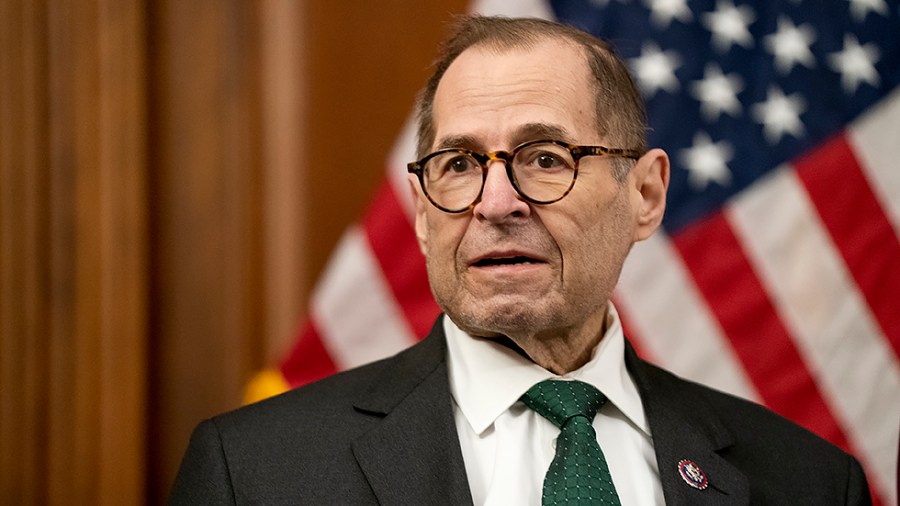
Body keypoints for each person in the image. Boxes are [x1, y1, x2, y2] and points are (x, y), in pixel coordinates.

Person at [170, 15, 871, 505]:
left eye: (545, 158)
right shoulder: (255, 474)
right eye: (459, 163)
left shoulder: (807, 482)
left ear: (647, 195)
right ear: (421, 210)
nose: (495, 201)